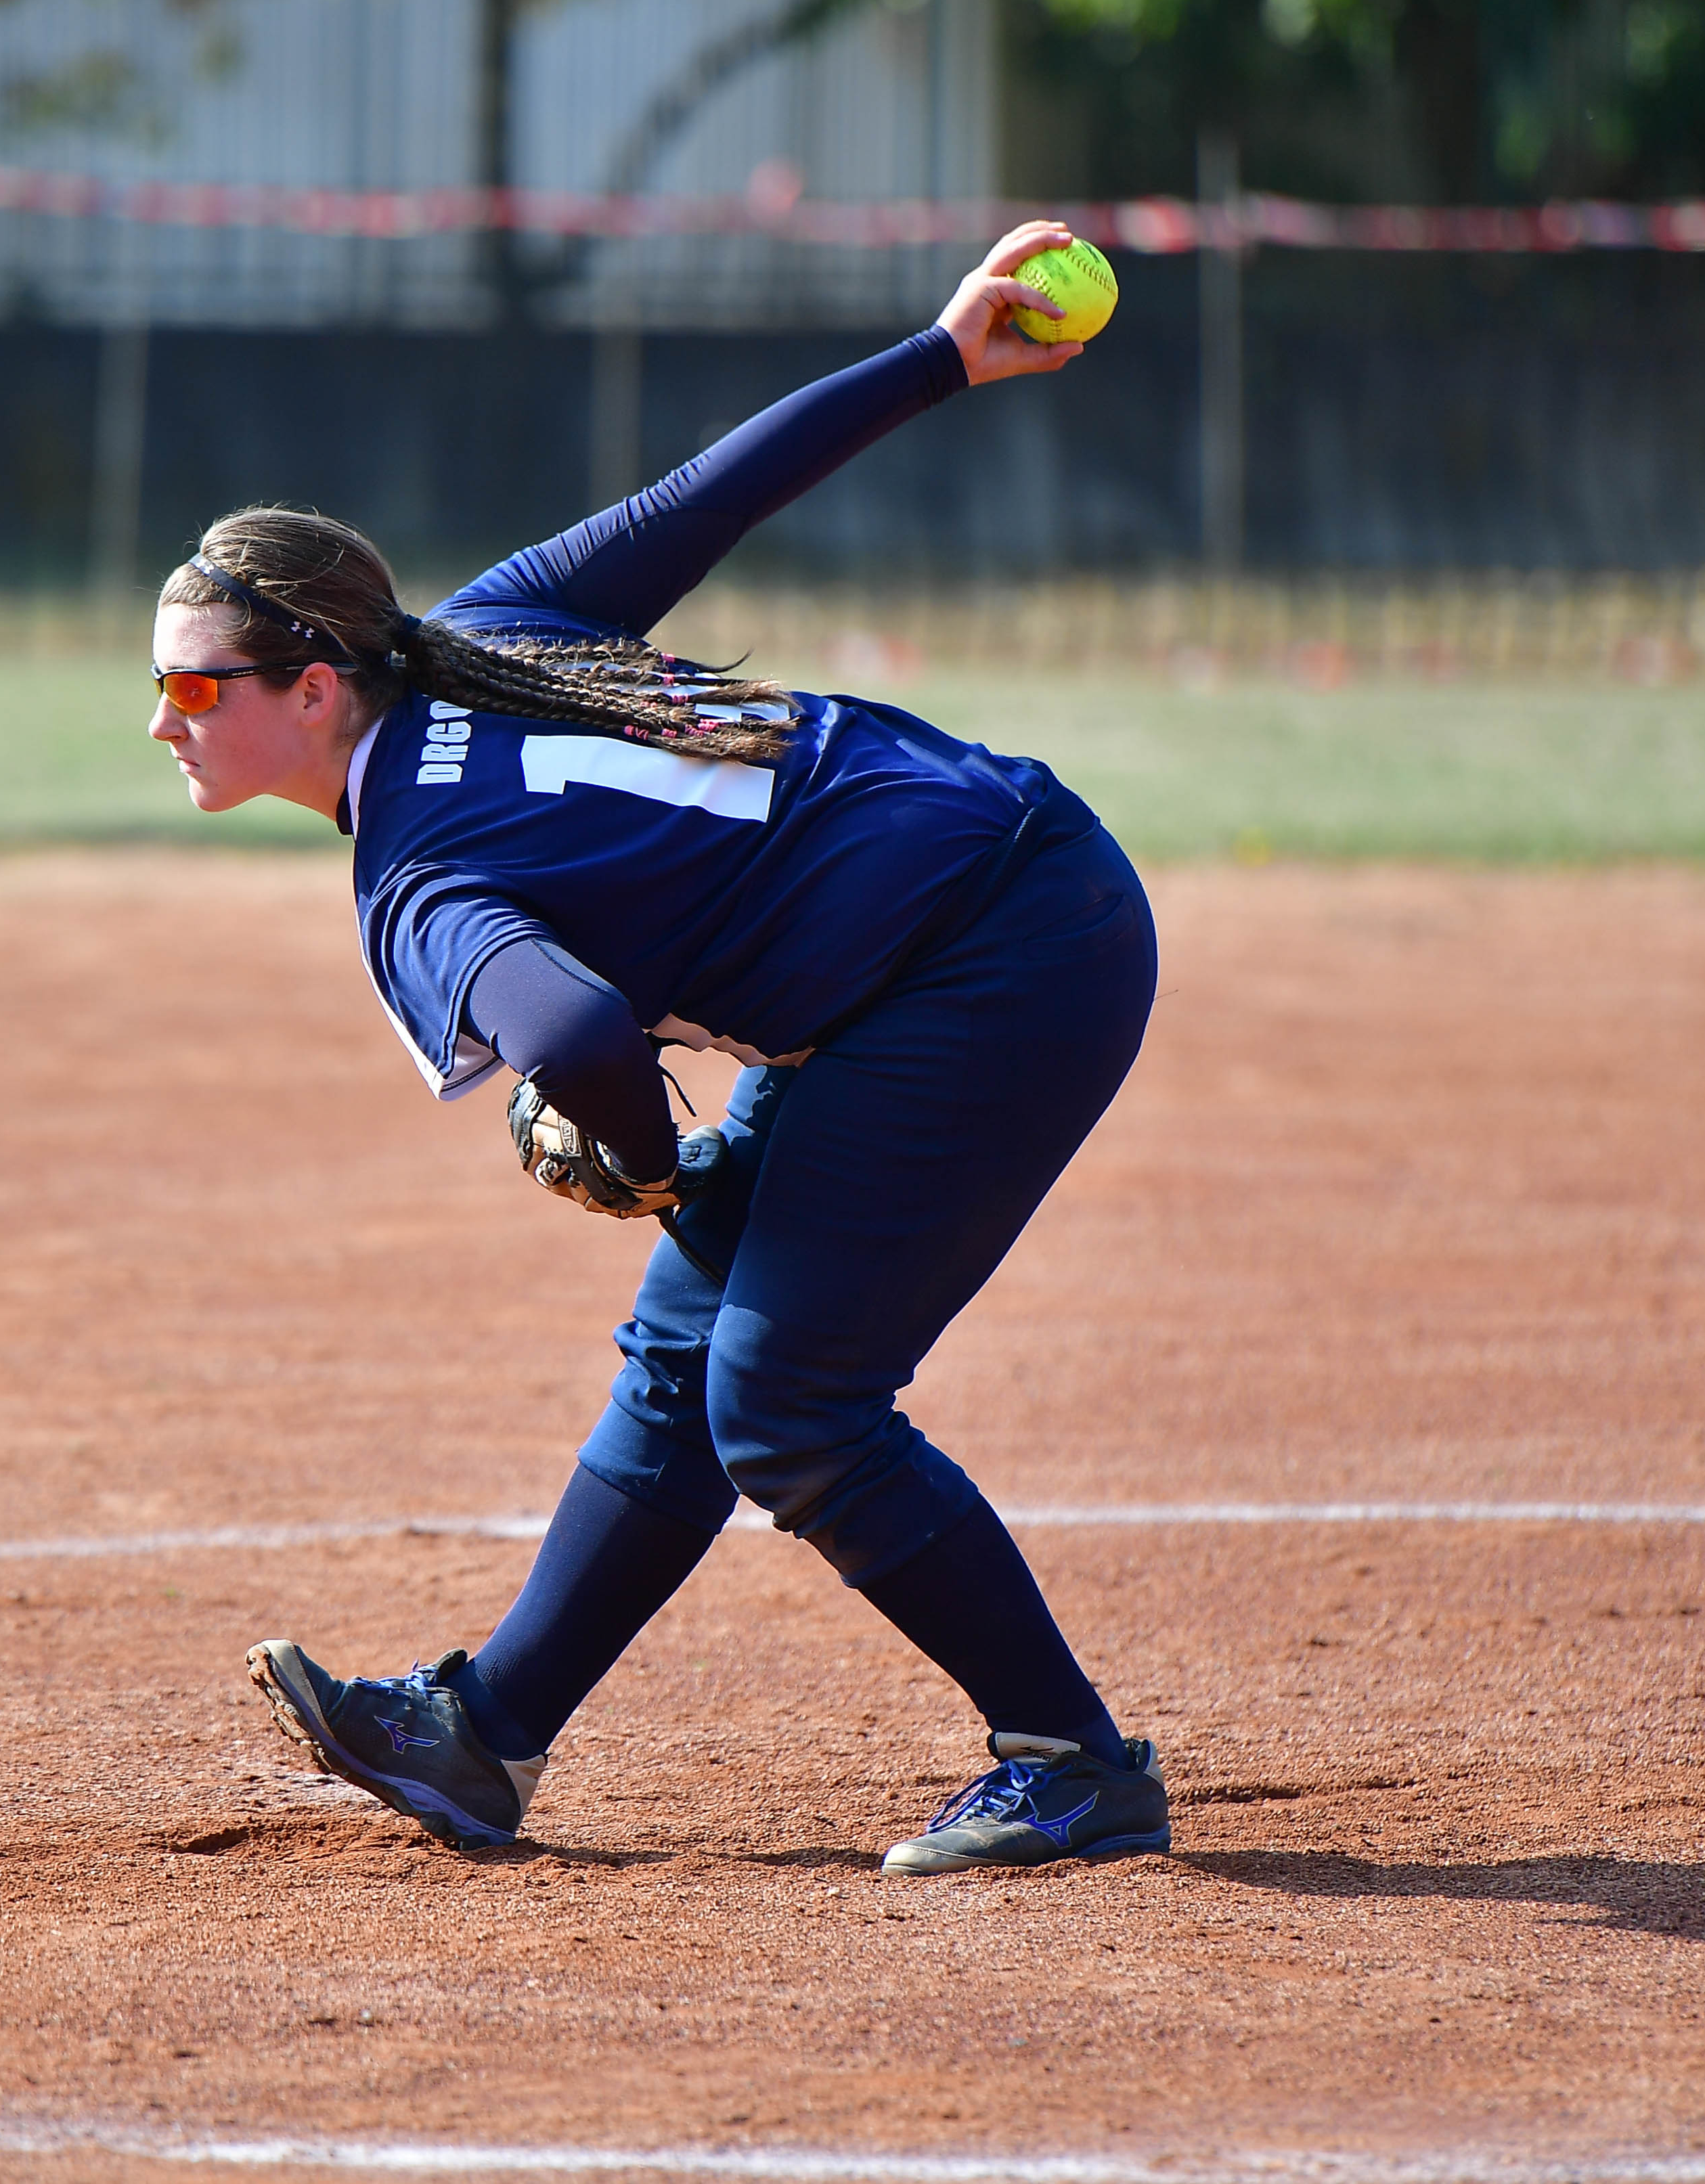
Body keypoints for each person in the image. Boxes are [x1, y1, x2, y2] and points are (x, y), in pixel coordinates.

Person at [150, 225, 1174, 1877]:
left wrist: (640, 1162)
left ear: (315, 686)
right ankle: (484, 1731)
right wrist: (939, 355)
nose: (163, 719)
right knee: (687, 1361)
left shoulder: (412, 877)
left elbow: (571, 1029)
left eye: (195, 688)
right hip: (973, 886)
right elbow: (712, 492)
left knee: (788, 1406)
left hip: (987, 960)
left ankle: (1073, 1762)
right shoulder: (483, 626)